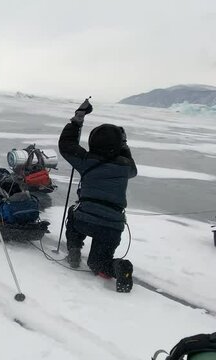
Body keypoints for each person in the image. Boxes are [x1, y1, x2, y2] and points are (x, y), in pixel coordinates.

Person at [58, 99, 138, 293]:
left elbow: (66, 145)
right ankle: (118, 268)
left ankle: (74, 250)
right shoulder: (125, 166)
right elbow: (133, 168)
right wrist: (124, 145)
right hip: (112, 225)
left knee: (73, 212)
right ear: (118, 144)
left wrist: (77, 120)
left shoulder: (86, 160)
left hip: (85, 218)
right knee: (98, 264)